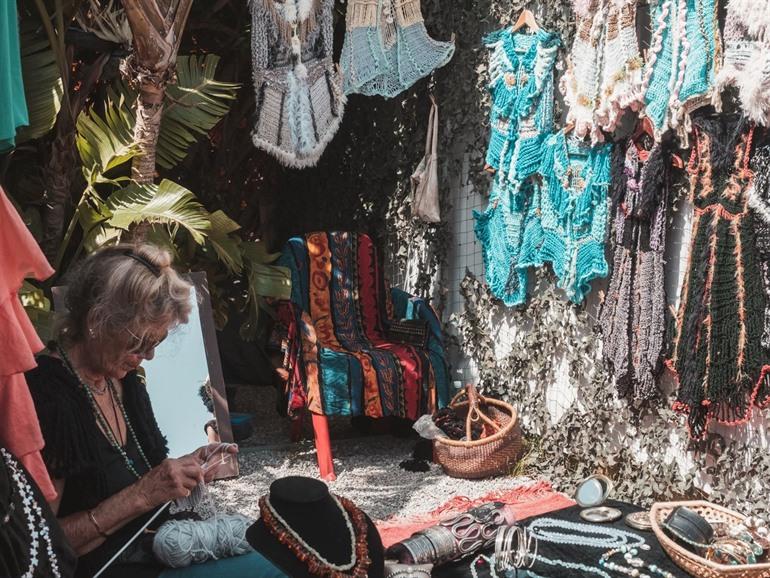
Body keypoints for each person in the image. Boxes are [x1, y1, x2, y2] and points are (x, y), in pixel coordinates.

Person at [26, 244, 286, 578]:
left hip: (155, 550)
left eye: (156, 344)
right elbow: (38, 543)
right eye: (140, 343)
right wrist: (142, 494)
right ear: (96, 322)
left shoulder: (124, 382)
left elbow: (144, 473)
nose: (147, 356)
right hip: (104, 569)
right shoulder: (47, 397)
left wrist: (190, 467)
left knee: (286, 557)